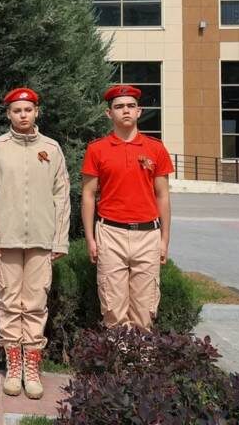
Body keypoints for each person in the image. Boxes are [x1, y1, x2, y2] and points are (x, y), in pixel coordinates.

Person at [0, 87, 71, 400]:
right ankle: (13, 367)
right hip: (6, 240)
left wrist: (60, 238)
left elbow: (62, 196)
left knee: (35, 304)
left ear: (36, 112)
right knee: (8, 301)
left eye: (28, 110)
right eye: (17, 111)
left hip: (42, 241)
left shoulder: (52, 149)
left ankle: (32, 368)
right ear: (8, 114)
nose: (23, 115)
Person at [80, 84, 174, 330]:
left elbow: (163, 196)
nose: (126, 111)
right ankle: (119, 363)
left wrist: (164, 239)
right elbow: (88, 195)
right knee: (113, 308)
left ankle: (142, 365)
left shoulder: (155, 148)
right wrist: (90, 238)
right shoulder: (96, 149)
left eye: (131, 106)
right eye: (119, 106)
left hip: (147, 235)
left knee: (145, 310)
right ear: (109, 114)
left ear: (139, 111)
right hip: (111, 234)